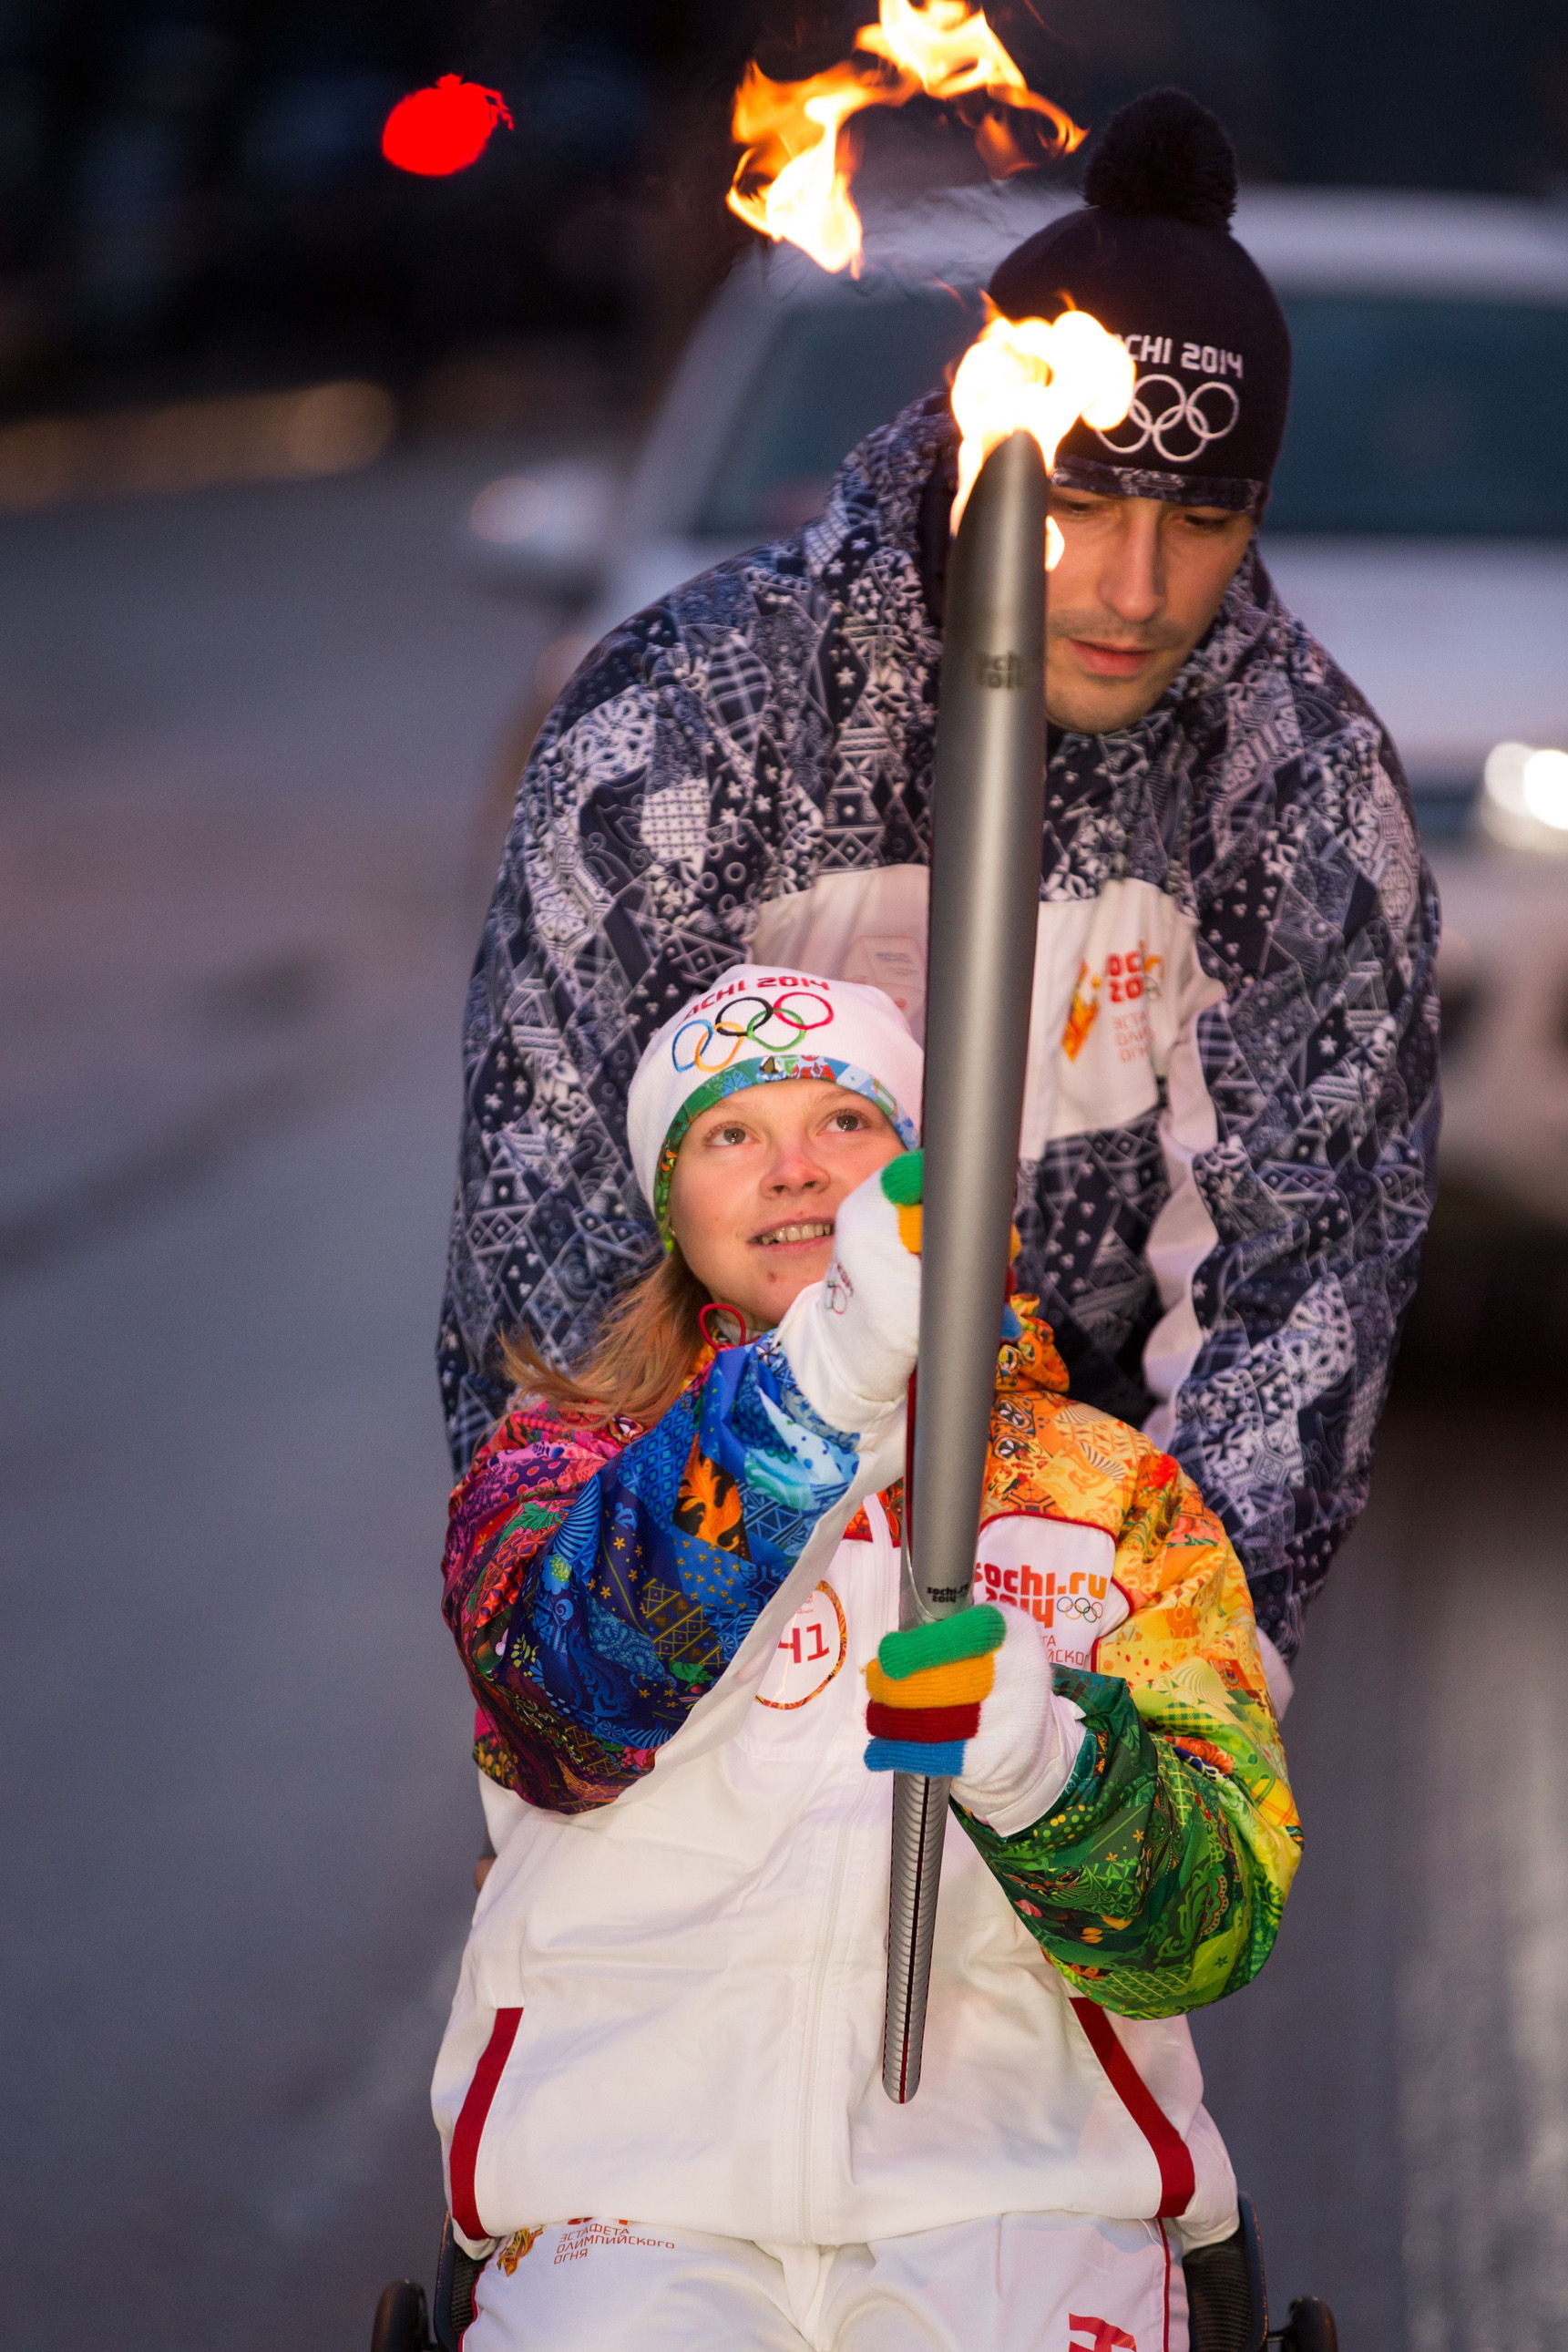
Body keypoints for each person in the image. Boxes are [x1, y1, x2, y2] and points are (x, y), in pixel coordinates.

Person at [438, 87, 1440, 1681]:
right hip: (700, 1560)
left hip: (1060, 1609)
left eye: (1200, 520)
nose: (1131, 589)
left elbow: (1297, 1291)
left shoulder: (1292, 781)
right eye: (1085, 507)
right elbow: (551, 1245)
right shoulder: (695, 719)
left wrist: (1144, 1709)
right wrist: (597, 1667)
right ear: (988, 454)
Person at [433, 965, 1300, 2352]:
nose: (790, 1169)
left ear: (920, 1169)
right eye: (728, 1135)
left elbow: (1209, 1925)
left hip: (1020, 2193)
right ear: (673, 1204)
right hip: (623, 2192)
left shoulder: (1105, 1494)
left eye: (843, 1118)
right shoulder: (562, 1462)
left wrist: (1045, 1769)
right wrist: (824, 1377)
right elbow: (565, 1705)